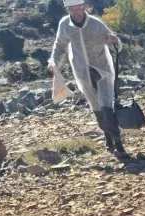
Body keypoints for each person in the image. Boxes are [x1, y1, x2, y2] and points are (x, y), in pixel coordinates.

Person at [48, 0, 124, 156]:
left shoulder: (96, 24)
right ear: (68, 10)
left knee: (106, 105)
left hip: (102, 71)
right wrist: (53, 62)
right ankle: (107, 135)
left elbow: (114, 43)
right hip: (82, 73)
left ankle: (118, 142)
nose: (77, 13)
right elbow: (60, 46)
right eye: (73, 10)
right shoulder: (65, 24)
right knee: (96, 107)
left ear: (84, 7)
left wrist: (115, 41)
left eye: (79, 9)